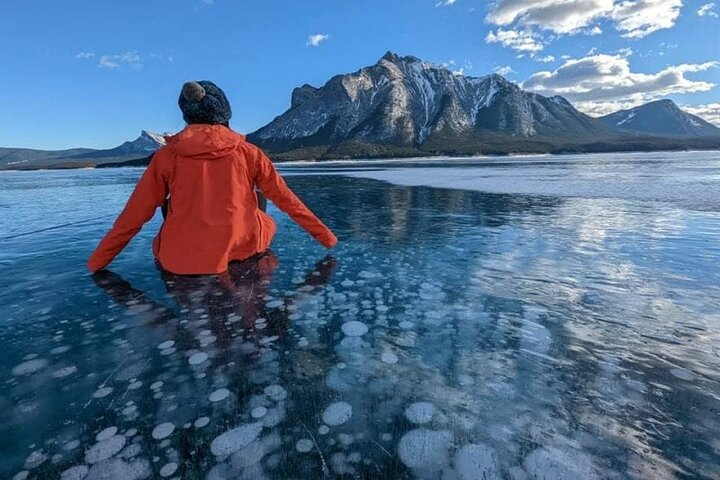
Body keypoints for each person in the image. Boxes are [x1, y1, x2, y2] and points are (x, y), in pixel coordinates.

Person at [87, 80, 337, 275]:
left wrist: (97, 262)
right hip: (244, 247)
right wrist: (327, 238)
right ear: (225, 113)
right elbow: (289, 202)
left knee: (168, 199)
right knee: (260, 198)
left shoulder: (166, 157)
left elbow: (133, 216)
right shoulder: (250, 154)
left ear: (187, 116)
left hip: (179, 259)